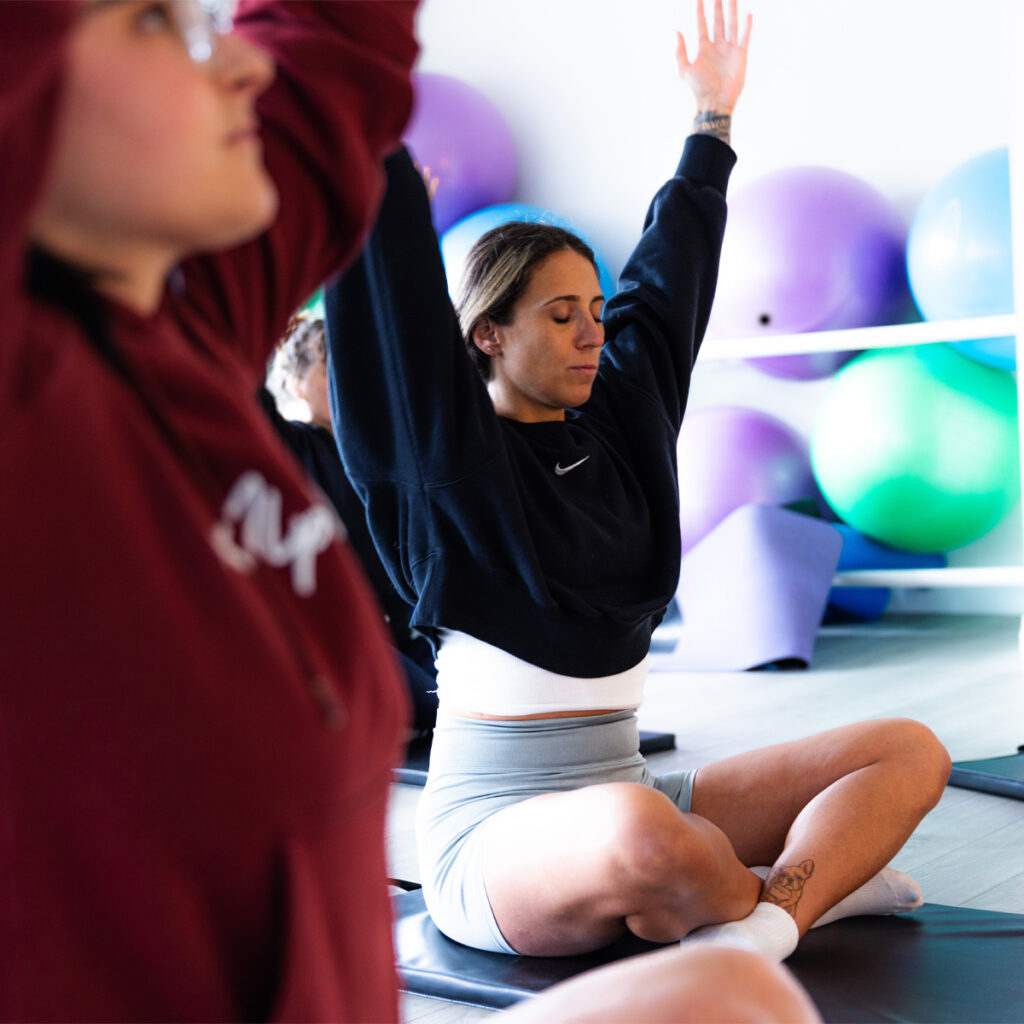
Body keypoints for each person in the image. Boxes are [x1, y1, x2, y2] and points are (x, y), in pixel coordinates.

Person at [325, 0, 951, 967]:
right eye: (561, 314)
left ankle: (770, 917)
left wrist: (713, 119)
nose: (592, 332)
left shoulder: (617, 423)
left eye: (593, 309)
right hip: (498, 841)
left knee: (909, 750)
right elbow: (394, 318)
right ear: (488, 333)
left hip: (636, 796)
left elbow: (669, 279)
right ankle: (807, 881)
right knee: (644, 837)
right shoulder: (446, 462)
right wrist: (380, 156)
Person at [1, 1, 421, 1018]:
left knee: (720, 992)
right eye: (154, 22)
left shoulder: (176, 336)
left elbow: (331, 45)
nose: (241, 62)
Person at [262, 314, 438, 736]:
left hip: (412, 630)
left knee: (468, 698)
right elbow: (246, 398)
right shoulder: (293, 447)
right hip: (350, 639)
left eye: (354, 365)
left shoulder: (391, 454)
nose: (348, 380)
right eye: (329, 367)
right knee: (429, 707)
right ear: (296, 385)